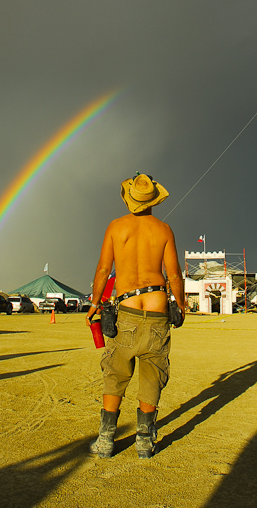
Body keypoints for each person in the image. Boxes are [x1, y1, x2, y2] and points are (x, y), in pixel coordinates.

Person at [86, 173, 185, 459]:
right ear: (153, 200)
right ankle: (144, 442)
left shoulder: (117, 227)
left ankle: (106, 441)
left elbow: (104, 270)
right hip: (156, 311)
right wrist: (180, 303)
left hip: (126, 310)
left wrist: (95, 303)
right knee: (153, 376)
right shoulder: (164, 230)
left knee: (115, 374)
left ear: (129, 198)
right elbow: (174, 274)